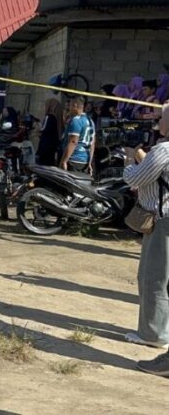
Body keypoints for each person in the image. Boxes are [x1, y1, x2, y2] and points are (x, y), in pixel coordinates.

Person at [124, 103, 169, 377]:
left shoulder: (164, 150)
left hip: (163, 221)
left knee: (153, 279)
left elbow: (136, 179)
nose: (157, 121)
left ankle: (153, 333)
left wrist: (130, 159)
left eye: (162, 117)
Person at [60, 97, 95, 174]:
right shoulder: (90, 121)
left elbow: (73, 141)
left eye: (70, 105)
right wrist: (90, 162)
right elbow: (92, 143)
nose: (69, 108)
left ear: (75, 105)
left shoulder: (76, 120)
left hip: (73, 159)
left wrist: (64, 161)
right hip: (84, 161)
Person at [36, 98, 64, 166]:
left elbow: (44, 129)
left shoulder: (49, 117)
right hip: (52, 148)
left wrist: (38, 126)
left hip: (45, 147)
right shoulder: (57, 118)